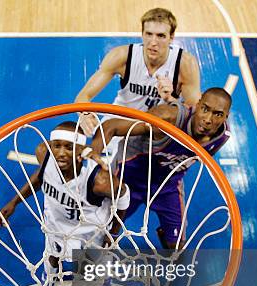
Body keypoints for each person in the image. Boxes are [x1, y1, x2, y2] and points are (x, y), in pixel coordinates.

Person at [92, 87, 232, 249]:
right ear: (197, 105)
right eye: (205, 109)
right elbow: (111, 126)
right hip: (129, 178)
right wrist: (93, 156)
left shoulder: (222, 137)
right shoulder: (166, 118)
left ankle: (165, 233)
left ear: (225, 117)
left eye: (218, 114)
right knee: (104, 232)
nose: (208, 119)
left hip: (167, 184)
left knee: (176, 245)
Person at [0, 122, 130, 273]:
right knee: (52, 256)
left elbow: (123, 196)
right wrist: (15, 202)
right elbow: (40, 176)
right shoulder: (44, 154)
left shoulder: (100, 180)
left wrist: (113, 232)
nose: (61, 153)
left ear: (81, 151)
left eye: (69, 147)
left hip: (90, 231)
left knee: (95, 267)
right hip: (56, 225)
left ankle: (101, 285)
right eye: (57, 146)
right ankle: (50, 283)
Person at [75, 8, 201, 136]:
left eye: (161, 36)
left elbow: (195, 115)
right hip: (119, 123)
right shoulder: (122, 56)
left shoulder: (184, 64)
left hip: (158, 128)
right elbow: (83, 97)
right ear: (142, 34)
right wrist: (85, 114)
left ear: (171, 37)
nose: (153, 42)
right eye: (148, 34)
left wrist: (170, 98)